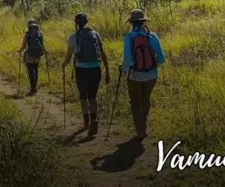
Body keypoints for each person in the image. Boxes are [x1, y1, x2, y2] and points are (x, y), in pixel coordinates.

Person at [62, 13, 110, 136]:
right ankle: (94, 120)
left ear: (76, 23)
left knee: (83, 97)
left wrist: (64, 65)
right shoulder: (95, 34)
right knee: (93, 96)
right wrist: (107, 71)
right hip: (96, 68)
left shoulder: (73, 37)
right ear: (87, 22)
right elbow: (103, 54)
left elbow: (68, 57)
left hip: (81, 69)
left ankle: (86, 123)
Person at [121, 9, 166, 141]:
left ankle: (140, 130)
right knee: (145, 99)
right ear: (144, 22)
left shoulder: (129, 37)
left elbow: (128, 60)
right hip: (152, 75)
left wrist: (123, 68)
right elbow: (162, 58)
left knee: (135, 102)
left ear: (131, 23)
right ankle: (144, 125)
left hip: (135, 75)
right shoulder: (152, 36)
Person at [17, 19, 45, 96]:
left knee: (30, 72)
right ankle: (35, 88)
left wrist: (19, 51)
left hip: (29, 55)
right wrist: (44, 53)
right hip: (38, 55)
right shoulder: (39, 33)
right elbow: (42, 45)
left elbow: (23, 46)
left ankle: (32, 89)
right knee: (36, 71)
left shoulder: (27, 34)